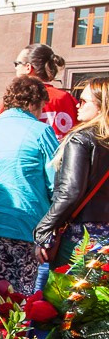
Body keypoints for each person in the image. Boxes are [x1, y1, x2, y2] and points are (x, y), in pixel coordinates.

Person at [0, 77, 57, 297]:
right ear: (35, 104)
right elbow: (57, 183)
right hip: (24, 227)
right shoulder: (41, 131)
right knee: (15, 303)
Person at [35, 78, 109, 266]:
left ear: (101, 106)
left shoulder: (81, 139)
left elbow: (70, 191)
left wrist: (43, 229)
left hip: (82, 237)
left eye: (83, 101)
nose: (77, 105)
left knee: (70, 293)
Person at [11, 43, 79, 140]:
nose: (16, 68)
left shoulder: (16, 97)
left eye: (17, 63)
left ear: (28, 68)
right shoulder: (67, 98)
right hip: (63, 153)